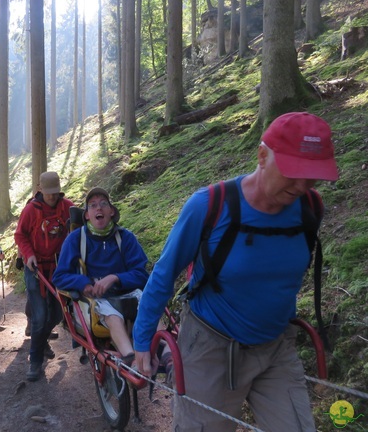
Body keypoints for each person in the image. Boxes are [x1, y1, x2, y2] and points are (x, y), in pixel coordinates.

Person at [132, 112, 339, 431]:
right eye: (294, 172)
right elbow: (164, 273)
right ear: (262, 156)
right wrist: (142, 341)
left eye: (312, 176)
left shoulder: (311, 209)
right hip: (210, 349)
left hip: (276, 347)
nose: (302, 186)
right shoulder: (209, 206)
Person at [52, 187, 149, 364]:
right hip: (98, 301)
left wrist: (115, 278)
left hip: (128, 294)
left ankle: (168, 354)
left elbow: (142, 274)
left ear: (111, 211)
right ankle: (131, 360)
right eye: (93, 205)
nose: (99, 208)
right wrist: (84, 282)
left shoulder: (125, 238)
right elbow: (59, 277)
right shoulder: (75, 239)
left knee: (150, 308)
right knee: (113, 317)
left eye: (104, 204)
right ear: (87, 215)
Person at [14, 171, 75, 381]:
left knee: (59, 314)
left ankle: (41, 339)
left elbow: (78, 230)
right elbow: (20, 234)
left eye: (55, 194)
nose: (52, 197)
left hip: (59, 267)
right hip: (35, 268)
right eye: (48, 194)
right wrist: (28, 255)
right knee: (39, 316)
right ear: (40, 190)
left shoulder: (68, 206)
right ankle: (36, 362)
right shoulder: (31, 210)